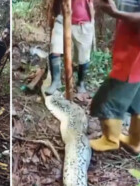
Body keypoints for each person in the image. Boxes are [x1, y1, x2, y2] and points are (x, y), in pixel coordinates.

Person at [90, 0, 140, 153]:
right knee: (137, 101)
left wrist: (116, 13)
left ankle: (110, 140)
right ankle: (135, 141)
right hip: (131, 52)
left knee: (107, 99)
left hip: (133, 57)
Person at [46, 0, 95, 95]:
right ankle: (56, 81)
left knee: (83, 58)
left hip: (83, 23)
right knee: (55, 47)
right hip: (62, 19)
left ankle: (80, 83)